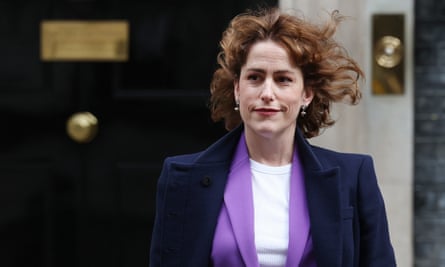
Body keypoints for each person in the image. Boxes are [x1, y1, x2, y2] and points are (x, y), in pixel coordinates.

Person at [149, 6, 396, 267]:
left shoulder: (353, 176)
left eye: (283, 79)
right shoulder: (183, 177)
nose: (267, 92)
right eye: (255, 77)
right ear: (237, 89)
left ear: (306, 94)